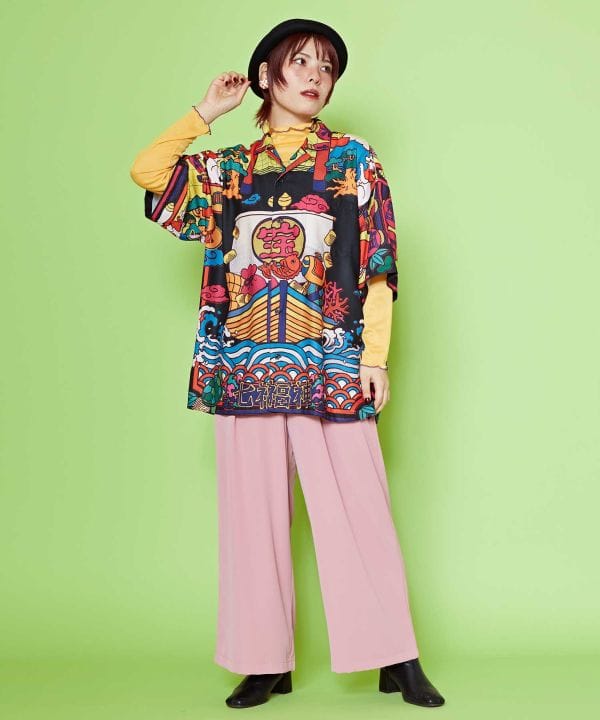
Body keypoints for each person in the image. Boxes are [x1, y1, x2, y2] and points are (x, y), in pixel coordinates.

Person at [130, 17, 445, 711]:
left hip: (332, 357)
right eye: (300, 62)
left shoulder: (353, 160)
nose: (315, 76)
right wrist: (205, 112)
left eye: (326, 68)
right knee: (253, 516)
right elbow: (148, 173)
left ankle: (396, 656)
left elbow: (379, 263)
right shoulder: (228, 170)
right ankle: (263, 663)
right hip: (242, 362)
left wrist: (376, 357)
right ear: (266, 77)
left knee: (360, 507)